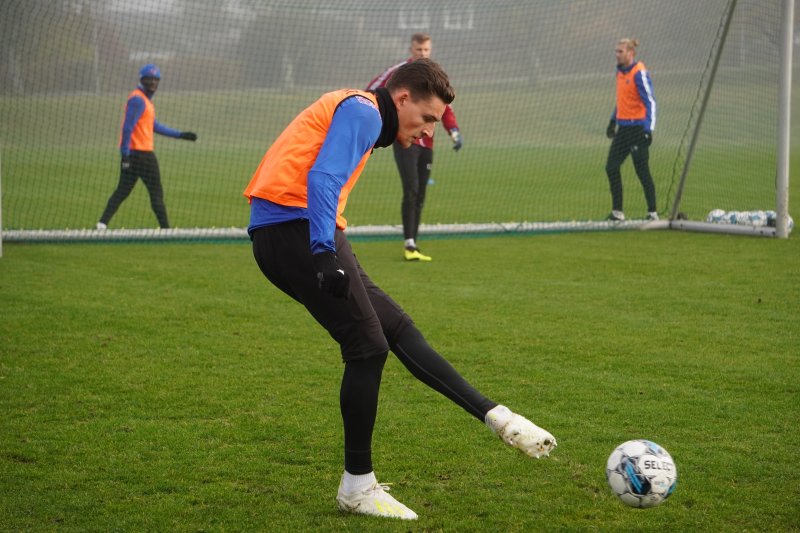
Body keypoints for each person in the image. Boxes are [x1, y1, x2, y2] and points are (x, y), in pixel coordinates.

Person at [244, 59, 556, 521]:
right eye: (428, 118)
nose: (429, 132)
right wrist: (323, 251)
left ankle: (501, 420)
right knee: (367, 346)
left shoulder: (364, 113)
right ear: (403, 97)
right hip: (295, 229)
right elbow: (323, 177)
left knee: (397, 329)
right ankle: (357, 487)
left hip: (296, 230)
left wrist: (324, 244)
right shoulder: (366, 111)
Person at [366, 33, 463, 261]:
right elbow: (373, 88)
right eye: (419, 50)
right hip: (405, 140)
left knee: (420, 192)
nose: (423, 54)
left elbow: (444, 107)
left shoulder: (434, 76)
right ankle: (409, 244)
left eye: (427, 50)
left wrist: (454, 131)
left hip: (427, 143)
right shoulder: (401, 72)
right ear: (412, 50)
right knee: (411, 188)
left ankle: (414, 242)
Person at [96, 64, 197, 230]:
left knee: (122, 191)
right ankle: (166, 230)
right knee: (155, 194)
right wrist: (125, 154)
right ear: (141, 80)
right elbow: (127, 127)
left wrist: (181, 135)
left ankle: (102, 224)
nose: (153, 83)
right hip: (142, 156)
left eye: (156, 80)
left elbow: (154, 126)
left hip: (136, 156)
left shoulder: (145, 101)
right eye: (149, 79)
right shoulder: (137, 99)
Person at [605, 38, 658, 222]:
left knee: (641, 171)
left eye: (620, 51)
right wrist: (613, 121)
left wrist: (648, 129)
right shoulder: (619, 73)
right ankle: (617, 212)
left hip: (637, 130)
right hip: (623, 130)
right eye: (616, 51)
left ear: (630, 53)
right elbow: (622, 100)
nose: (617, 55)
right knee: (611, 167)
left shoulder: (639, 73)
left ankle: (653, 213)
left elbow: (650, 102)